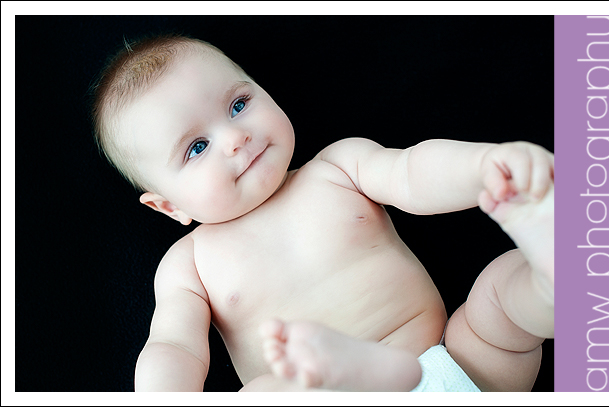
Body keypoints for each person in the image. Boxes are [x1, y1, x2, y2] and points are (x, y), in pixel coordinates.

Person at [91, 34, 554, 392]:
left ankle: (560, 281)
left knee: (501, 296)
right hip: (320, 391)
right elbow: (173, 346)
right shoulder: (187, 264)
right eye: (197, 147)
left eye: (238, 105)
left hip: (448, 368)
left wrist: (482, 168)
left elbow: (413, 173)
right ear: (168, 206)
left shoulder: (338, 167)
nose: (235, 138)